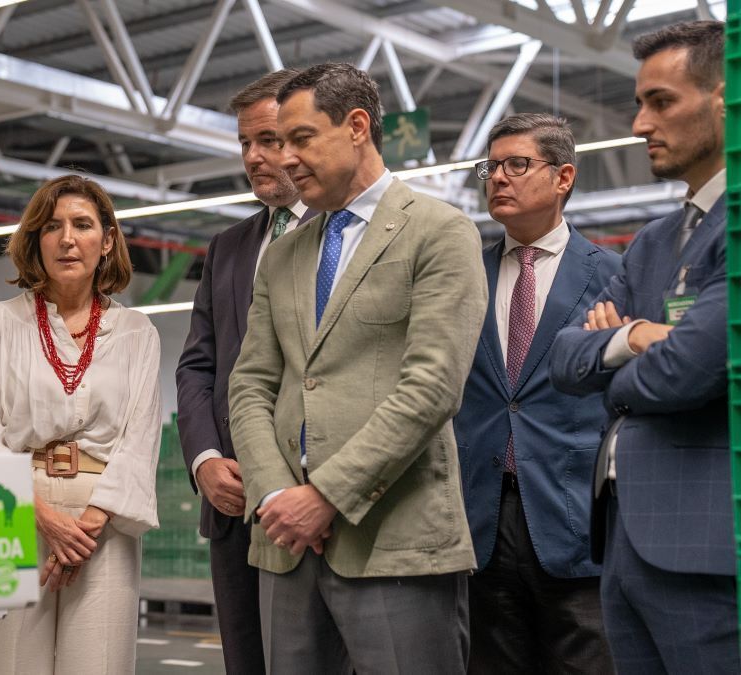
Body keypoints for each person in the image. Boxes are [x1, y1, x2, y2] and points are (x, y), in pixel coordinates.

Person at [228, 62, 486, 673]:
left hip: (394, 541)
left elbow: (431, 388)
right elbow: (250, 384)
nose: (284, 158)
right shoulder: (284, 254)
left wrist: (326, 496)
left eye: (300, 138)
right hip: (286, 544)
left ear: (357, 126)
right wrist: (274, 495)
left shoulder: (439, 232)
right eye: (275, 142)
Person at [551, 20, 740, 673]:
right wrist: (634, 337)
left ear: (725, 97)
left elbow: (688, 370)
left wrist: (612, 358)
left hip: (707, 550)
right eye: (639, 102)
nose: (638, 123)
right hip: (625, 545)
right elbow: (563, 360)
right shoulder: (655, 241)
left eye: (661, 101)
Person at [0, 175, 161, 674]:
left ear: (108, 240)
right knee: (8, 665)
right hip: (15, 511)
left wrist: (87, 527)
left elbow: (140, 439)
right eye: (52, 226)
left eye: (82, 225)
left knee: (98, 665)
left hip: (103, 522)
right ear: (35, 240)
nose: (67, 239)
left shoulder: (138, 332)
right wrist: (45, 519)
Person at [454, 113, 618, 674]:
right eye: (491, 167)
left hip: (574, 523)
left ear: (563, 177)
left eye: (517, 165)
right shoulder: (459, 279)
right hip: (479, 519)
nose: (498, 178)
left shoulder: (615, 278)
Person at [174, 68, 314, 675]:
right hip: (232, 505)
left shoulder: (344, 236)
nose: (253, 158)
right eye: (245, 144)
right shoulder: (228, 246)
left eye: (270, 141)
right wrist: (204, 459)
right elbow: (197, 365)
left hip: (312, 503)